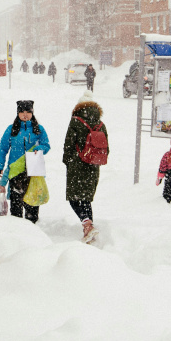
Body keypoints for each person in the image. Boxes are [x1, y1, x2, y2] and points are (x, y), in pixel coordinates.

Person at [62, 90, 108, 244]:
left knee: (75, 199)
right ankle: (88, 228)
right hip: (93, 165)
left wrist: (68, 161)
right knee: (85, 199)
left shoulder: (75, 121)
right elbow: (106, 149)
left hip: (77, 165)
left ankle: (87, 225)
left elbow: (68, 144)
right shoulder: (101, 124)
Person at [0, 100, 51, 224]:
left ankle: (32, 231)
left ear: (32, 113)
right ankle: (17, 233)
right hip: (16, 173)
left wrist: (39, 148)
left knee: (32, 205)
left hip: (33, 172)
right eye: (22, 112)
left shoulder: (39, 129)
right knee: (16, 207)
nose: (25, 114)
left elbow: (46, 145)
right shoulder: (11, 129)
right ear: (17, 113)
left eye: (28, 112)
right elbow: (3, 148)